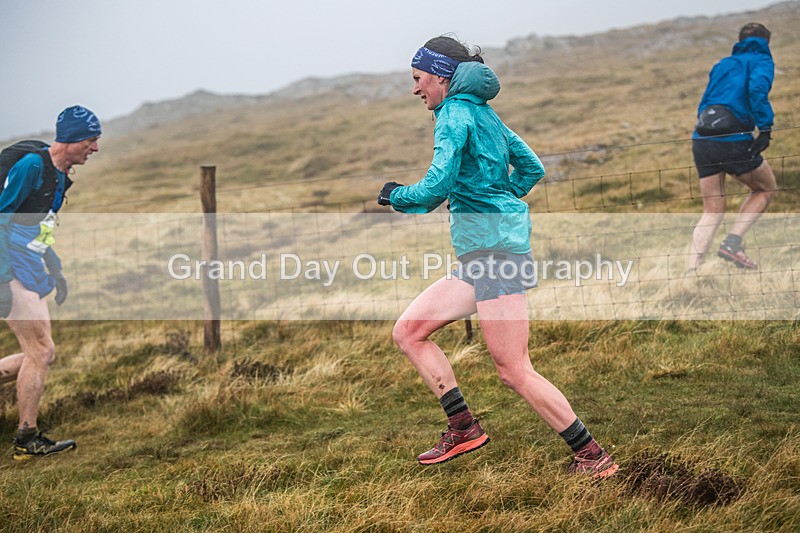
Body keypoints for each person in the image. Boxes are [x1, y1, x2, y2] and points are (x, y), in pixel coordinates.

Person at [377, 36, 618, 478]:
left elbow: (435, 186)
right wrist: (496, 198)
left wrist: (397, 196)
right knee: (409, 331)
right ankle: (463, 427)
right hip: (483, 254)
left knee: (514, 370)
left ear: (440, 75)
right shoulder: (485, 113)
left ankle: (593, 456)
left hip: (494, 254)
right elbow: (531, 168)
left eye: (417, 78)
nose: (415, 89)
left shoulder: (453, 114)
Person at [0, 105, 101, 460]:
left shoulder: (60, 175)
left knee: (44, 353)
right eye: (91, 140)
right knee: (40, 352)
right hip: (9, 266)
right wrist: (2, 279)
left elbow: (39, 226)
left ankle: (27, 437)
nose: (95, 148)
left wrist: (54, 267)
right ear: (72, 138)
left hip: (28, 265)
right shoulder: (32, 166)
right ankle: (26, 440)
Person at [688, 23, 777, 273]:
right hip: (732, 139)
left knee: (712, 210)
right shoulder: (761, 61)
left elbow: (707, 101)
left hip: (702, 139)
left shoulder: (722, 64)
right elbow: (757, 90)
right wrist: (765, 129)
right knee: (765, 188)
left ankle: (692, 272)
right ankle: (732, 244)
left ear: (739, 41)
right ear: (765, 42)